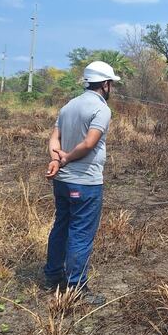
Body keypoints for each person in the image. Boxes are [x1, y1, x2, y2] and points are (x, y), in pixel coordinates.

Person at [44, 61, 120, 304]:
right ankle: (76, 287)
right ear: (106, 84)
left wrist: (56, 159)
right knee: (81, 233)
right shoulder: (101, 109)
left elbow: (54, 137)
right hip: (86, 182)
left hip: (63, 181)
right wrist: (65, 159)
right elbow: (89, 144)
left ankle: (54, 275)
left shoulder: (69, 105)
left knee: (61, 226)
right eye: (112, 84)